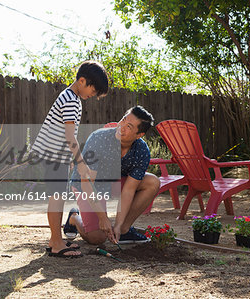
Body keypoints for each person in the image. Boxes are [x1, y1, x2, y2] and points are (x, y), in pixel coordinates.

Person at [30, 60, 109, 257]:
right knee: (56, 198)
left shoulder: (69, 96)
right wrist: (81, 163)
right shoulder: (72, 100)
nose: (93, 95)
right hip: (54, 153)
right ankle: (56, 243)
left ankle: (54, 238)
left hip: (55, 153)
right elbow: (69, 135)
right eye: (93, 90)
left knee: (58, 197)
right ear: (82, 81)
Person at [64, 106, 160, 245]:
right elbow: (87, 182)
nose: (121, 126)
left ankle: (125, 230)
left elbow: (129, 190)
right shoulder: (99, 139)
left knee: (152, 182)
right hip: (87, 185)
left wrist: (119, 225)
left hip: (112, 183)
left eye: (129, 126)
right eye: (123, 119)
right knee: (97, 238)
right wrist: (102, 217)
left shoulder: (141, 150)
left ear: (139, 135)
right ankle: (74, 217)